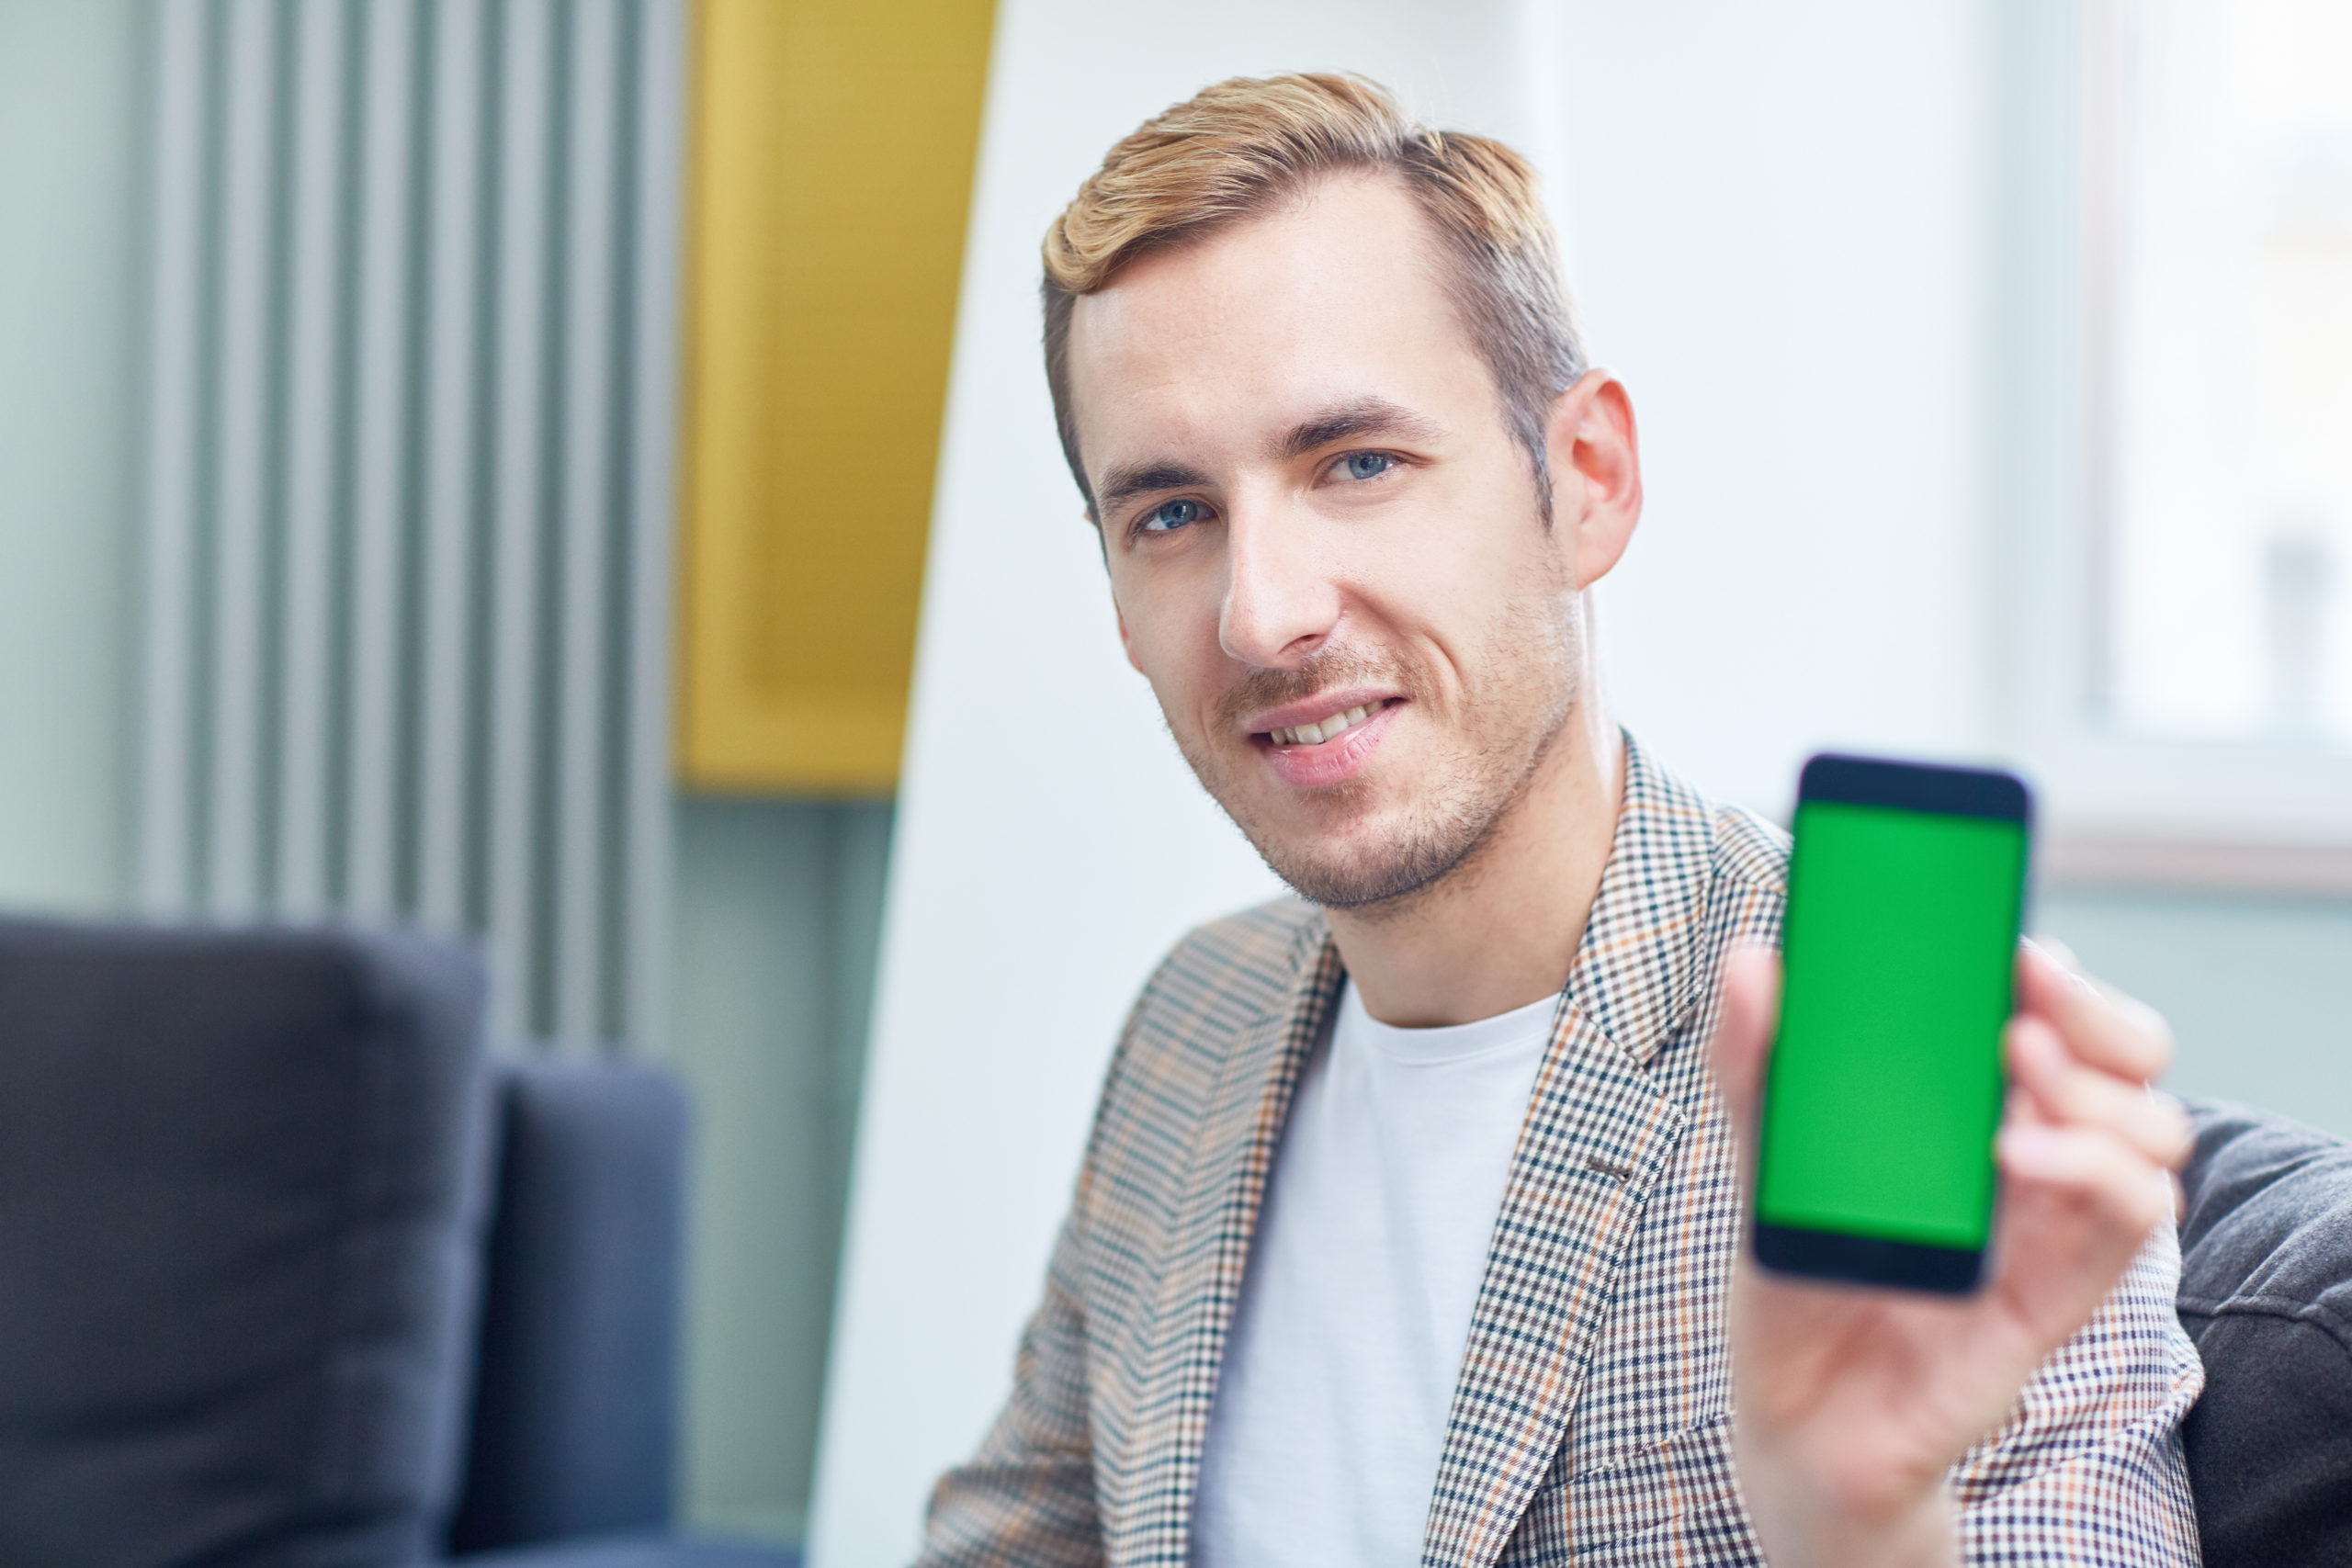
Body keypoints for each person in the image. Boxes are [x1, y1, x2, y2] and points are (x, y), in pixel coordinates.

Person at [917, 73, 2200, 1567]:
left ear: (1586, 480)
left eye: (1360, 463)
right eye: (1172, 513)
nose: (1264, 617)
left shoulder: (1900, 1063)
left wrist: (1861, 1531)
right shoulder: (1189, 1026)